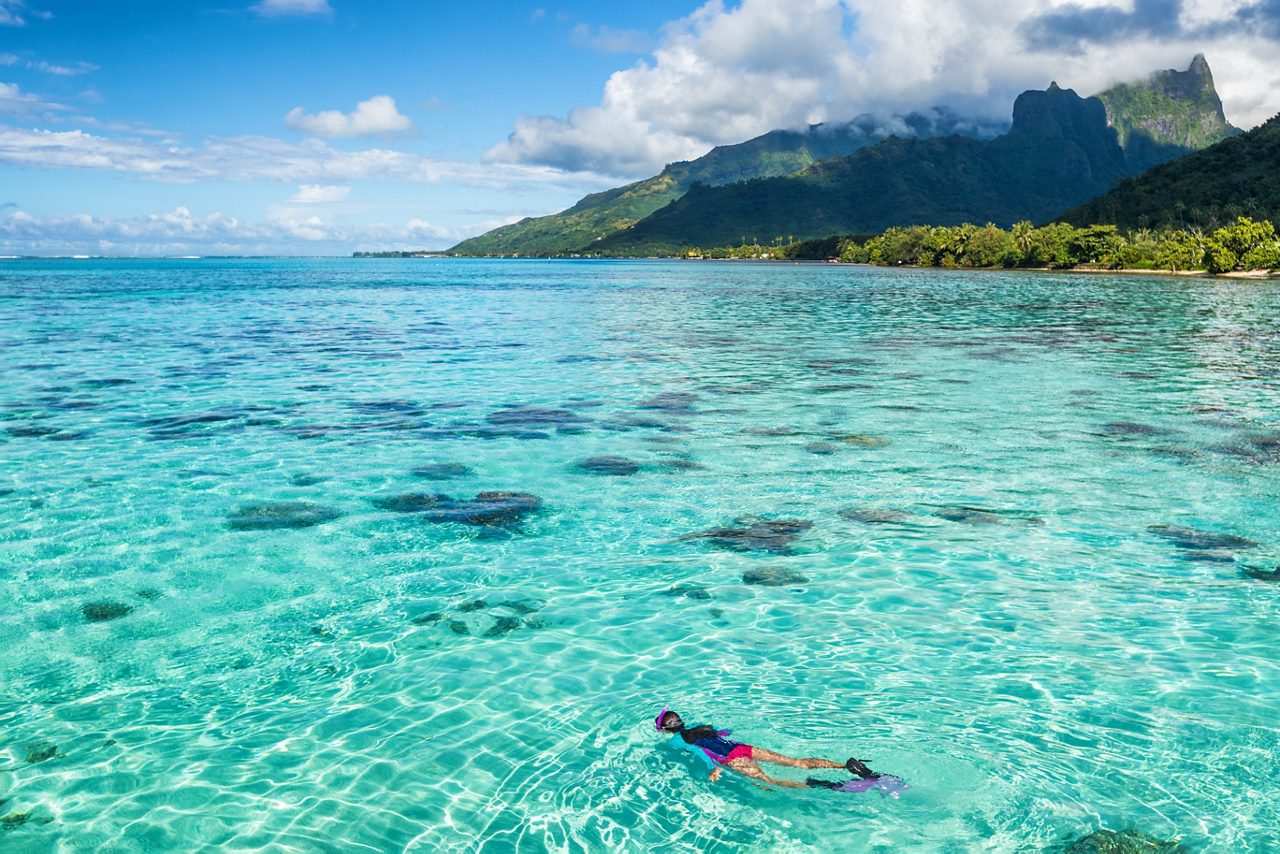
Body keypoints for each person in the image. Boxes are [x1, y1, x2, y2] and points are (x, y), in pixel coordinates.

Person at [654, 707, 880, 790]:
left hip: (730, 758)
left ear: (665, 730)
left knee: (769, 782)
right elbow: (724, 733)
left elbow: (701, 752)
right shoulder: (701, 726)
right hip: (743, 748)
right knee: (796, 762)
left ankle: (828, 785)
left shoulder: (676, 741)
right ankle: (847, 765)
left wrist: (714, 769)